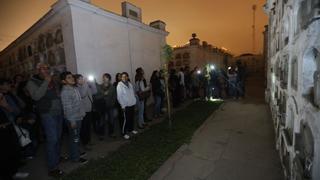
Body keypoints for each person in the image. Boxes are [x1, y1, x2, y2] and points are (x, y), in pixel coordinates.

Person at [26, 63, 64, 177]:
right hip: (47, 114)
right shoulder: (31, 82)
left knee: (58, 137)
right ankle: (53, 168)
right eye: (44, 68)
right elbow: (36, 96)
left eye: (48, 68)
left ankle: (56, 158)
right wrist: (47, 81)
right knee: (52, 139)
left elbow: (57, 94)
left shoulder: (52, 79)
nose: (47, 70)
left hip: (58, 112)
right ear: (37, 70)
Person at [0, 81, 29, 180]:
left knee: (13, 150)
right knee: (5, 154)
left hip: (9, 125)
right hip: (3, 129)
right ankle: (8, 174)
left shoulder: (6, 95)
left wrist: (6, 106)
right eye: (6, 84)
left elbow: (16, 109)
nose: (9, 85)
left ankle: (14, 172)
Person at [60, 71, 88, 164]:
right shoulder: (65, 92)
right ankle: (75, 158)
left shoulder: (74, 88)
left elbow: (82, 97)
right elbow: (67, 108)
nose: (72, 78)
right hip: (73, 119)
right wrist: (72, 121)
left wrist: (84, 84)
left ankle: (75, 154)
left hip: (78, 117)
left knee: (75, 137)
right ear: (63, 81)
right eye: (68, 77)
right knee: (74, 138)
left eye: (72, 77)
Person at [74, 74, 96, 150]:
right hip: (83, 111)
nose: (82, 80)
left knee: (88, 126)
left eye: (82, 78)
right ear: (76, 80)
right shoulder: (76, 88)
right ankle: (85, 143)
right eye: (80, 79)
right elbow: (82, 95)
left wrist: (92, 83)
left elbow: (94, 91)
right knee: (84, 127)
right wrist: (85, 84)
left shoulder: (85, 85)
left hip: (89, 109)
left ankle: (88, 140)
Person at [95, 73, 117, 139]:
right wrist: (103, 94)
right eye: (103, 77)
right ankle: (101, 134)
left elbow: (114, 97)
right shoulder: (99, 87)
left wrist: (112, 104)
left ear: (109, 79)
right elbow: (96, 97)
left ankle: (111, 133)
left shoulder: (112, 87)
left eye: (106, 77)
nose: (104, 78)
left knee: (111, 120)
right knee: (102, 121)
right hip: (102, 107)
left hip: (110, 106)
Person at [116, 72, 138, 139]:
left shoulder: (130, 84)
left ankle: (131, 129)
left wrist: (134, 101)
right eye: (123, 77)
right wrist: (123, 106)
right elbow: (119, 97)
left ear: (128, 77)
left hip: (131, 104)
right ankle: (124, 133)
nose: (124, 78)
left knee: (131, 118)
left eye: (126, 76)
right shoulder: (119, 85)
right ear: (121, 78)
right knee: (126, 120)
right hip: (126, 106)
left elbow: (132, 93)